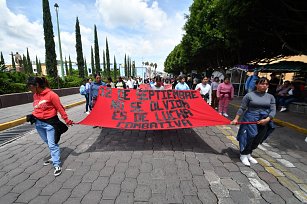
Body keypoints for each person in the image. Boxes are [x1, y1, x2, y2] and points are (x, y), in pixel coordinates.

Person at [27, 76, 73, 176]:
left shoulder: (52, 95)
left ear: (37, 85)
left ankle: (57, 164)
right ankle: (54, 156)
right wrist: (33, 115)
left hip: (50, 124)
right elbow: (37, 107)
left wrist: (67, 120)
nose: (29, 89)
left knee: (52, 144)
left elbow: (60, 108)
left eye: (30, 86)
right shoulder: (35, 95)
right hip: (38, 124)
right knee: (48, 142)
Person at [231, 77, 276, 166]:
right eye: (262, 84)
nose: (264, 86)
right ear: (256, 85)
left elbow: (273, 110)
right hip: (250, 119)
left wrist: (267, 119)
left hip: (264, 120)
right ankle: (243, 154)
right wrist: (236, 119)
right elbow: (242, 108)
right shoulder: (249, 95)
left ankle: (249, 153)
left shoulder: (271, 97)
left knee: (258, 138)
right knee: (249, 137)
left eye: (266, 84)